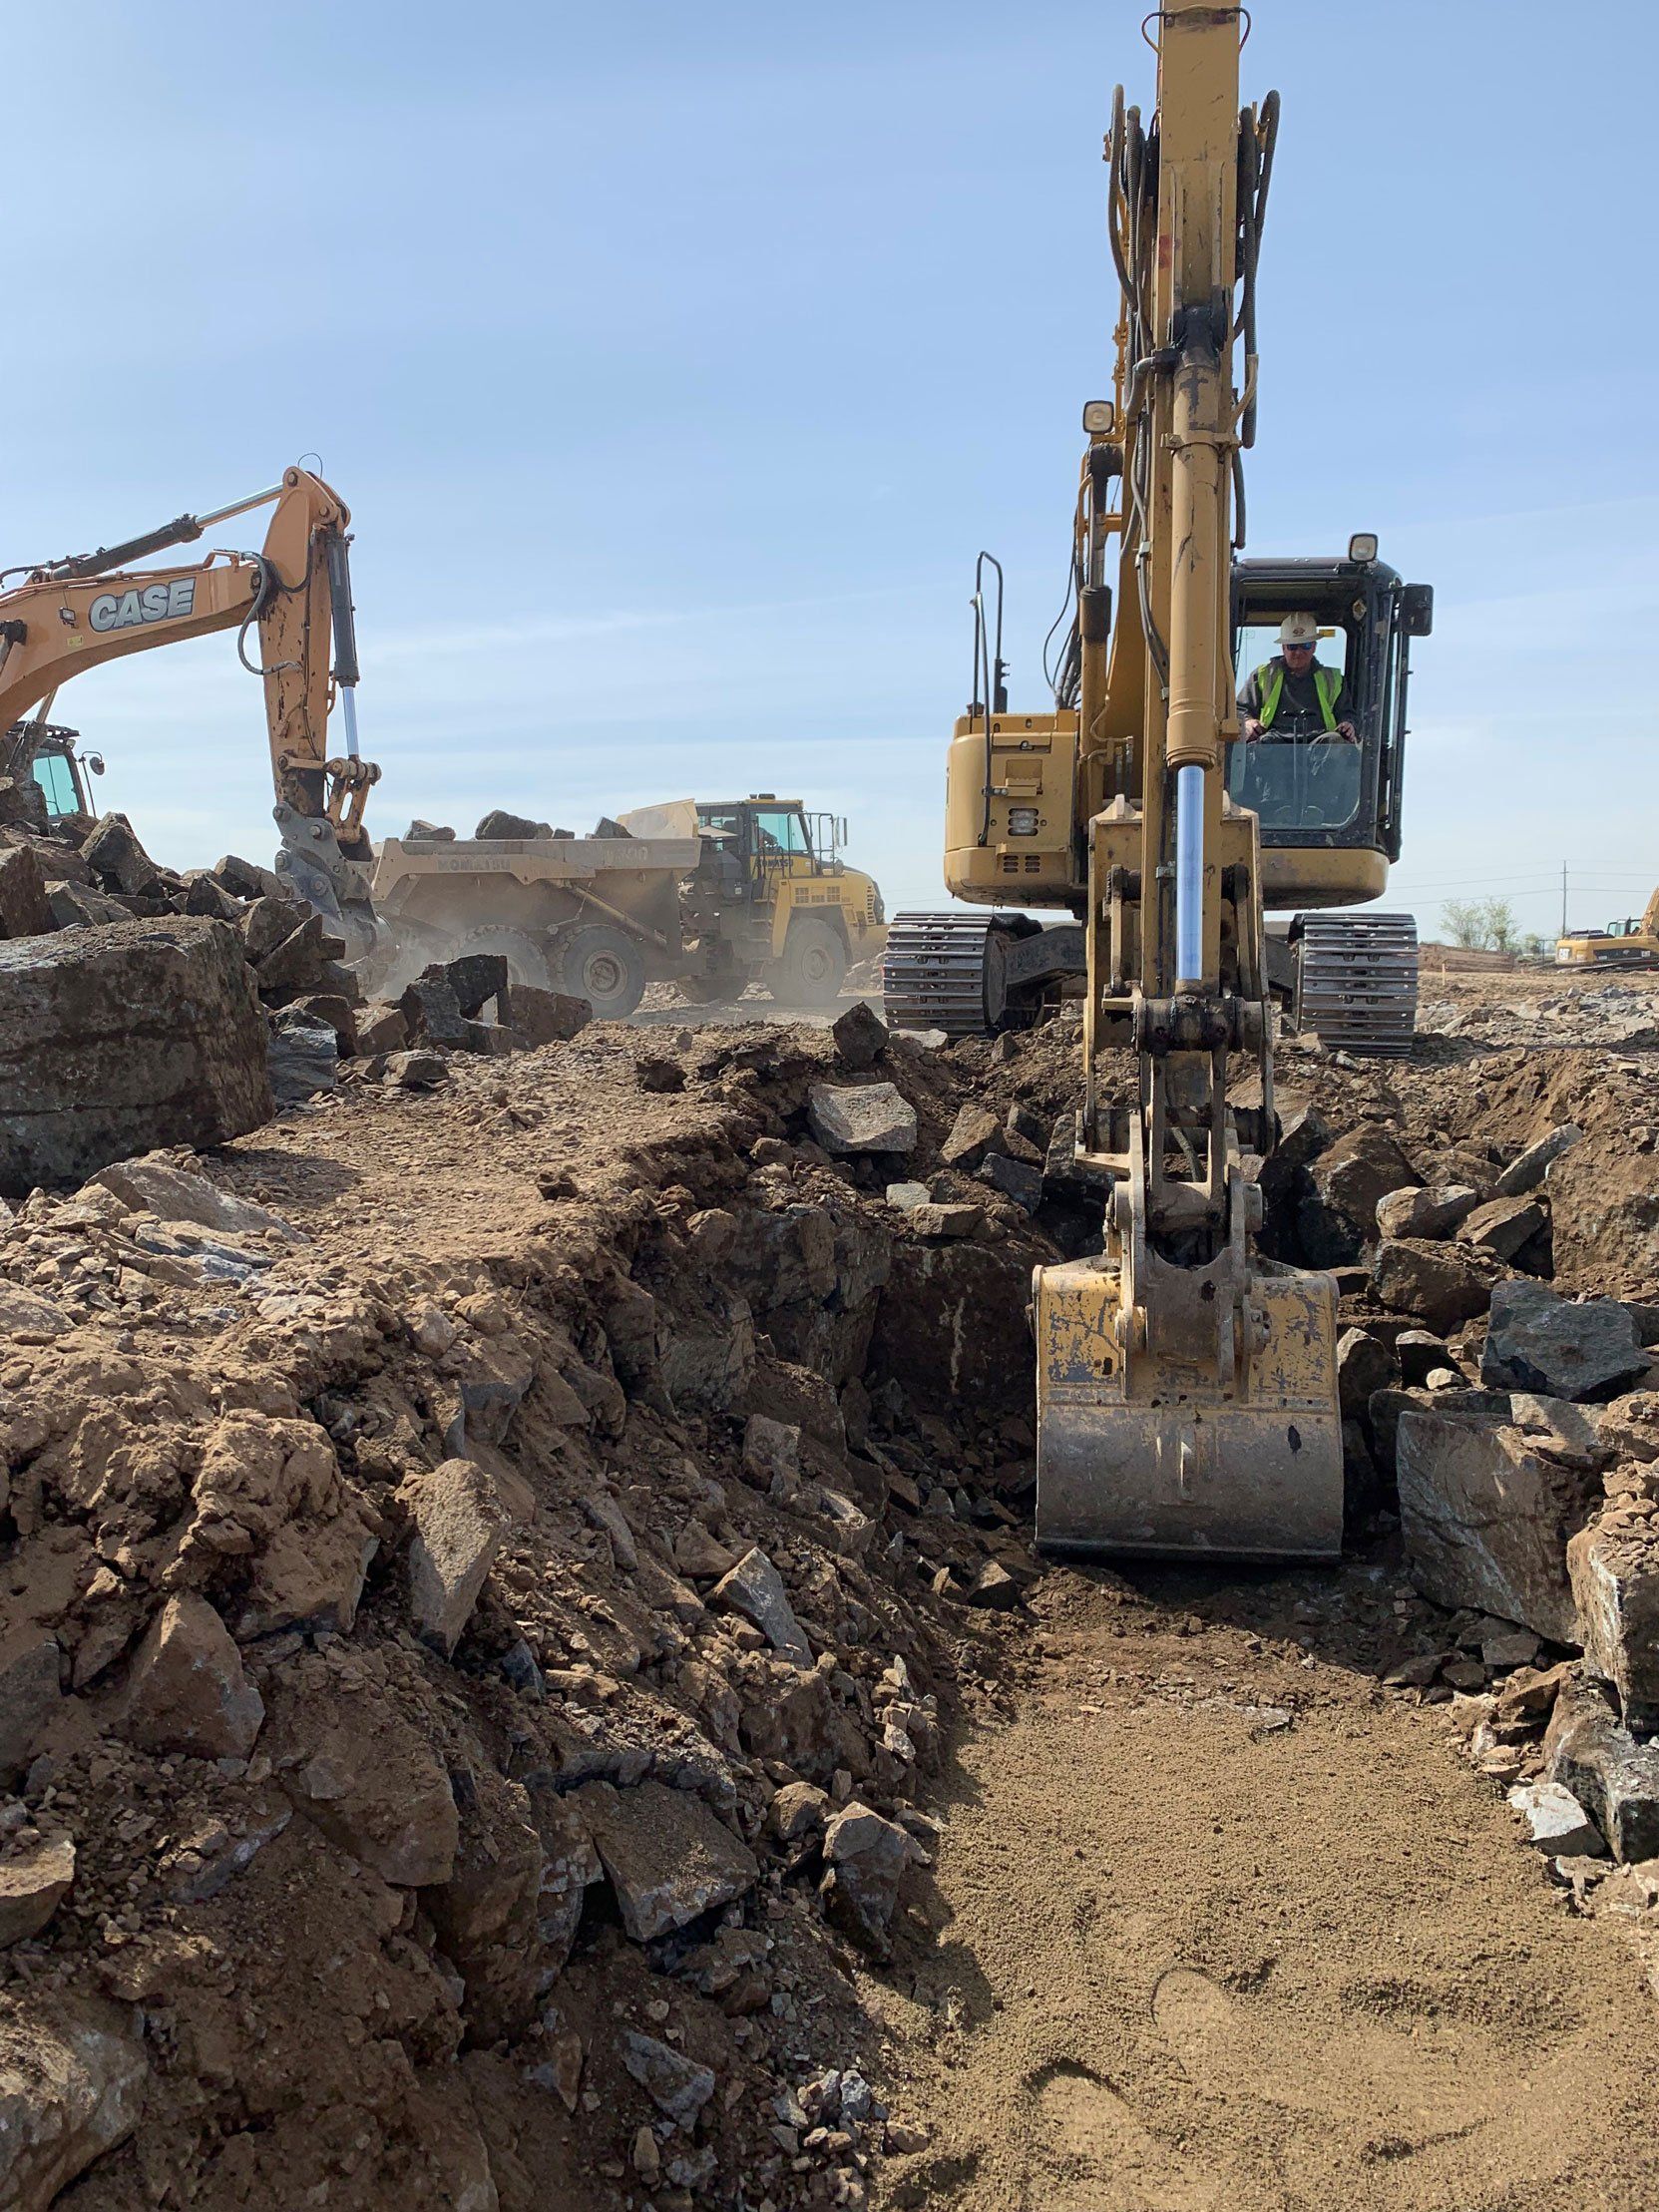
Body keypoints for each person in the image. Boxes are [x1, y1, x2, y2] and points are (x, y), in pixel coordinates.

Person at [1238, 613, 1356, 740]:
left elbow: (1346, 713)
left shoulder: (1333, 679)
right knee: (1265, 743)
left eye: (1305, 645)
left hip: (1319, 741)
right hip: (1276, 740)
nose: (1298, 652)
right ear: (1283, 648)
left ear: (1314, 647)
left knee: (1334, 740)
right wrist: (1248, 721)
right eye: (1292, 646)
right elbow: (1240, 709)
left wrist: (1348, 724)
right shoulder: (1263, 676)